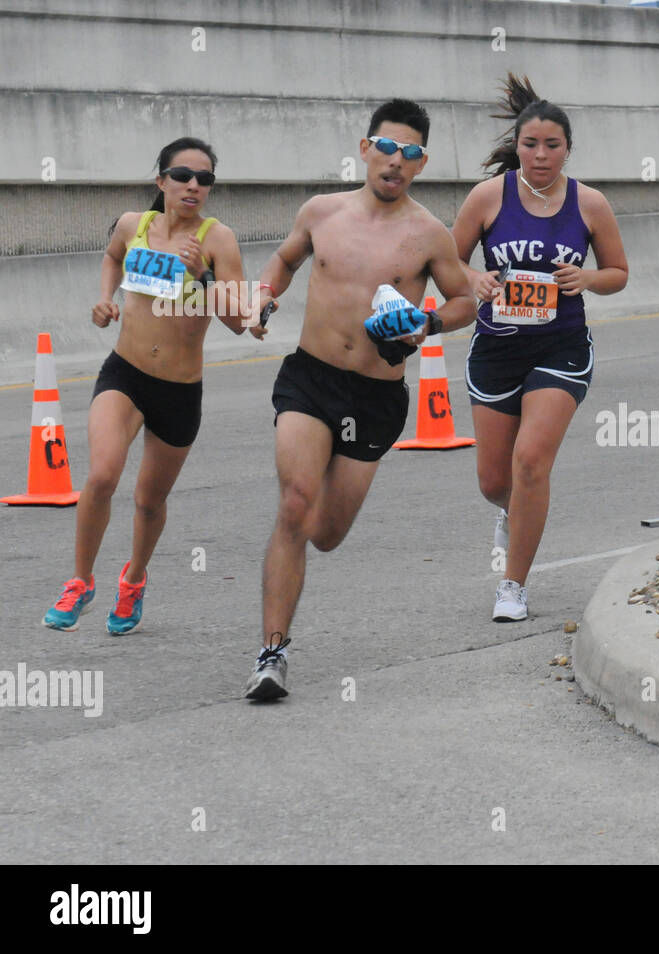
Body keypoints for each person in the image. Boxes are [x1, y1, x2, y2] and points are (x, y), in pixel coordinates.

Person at [242, 98, 475, 701]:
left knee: (325, 532)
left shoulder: (429, 233)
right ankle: (272, 653)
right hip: (309, 378)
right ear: (366, 149)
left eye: (412, 153)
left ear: (423, 165)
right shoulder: (322, 212)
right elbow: (286, 259)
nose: (397, 162)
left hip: (376, 394)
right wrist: (264, 297)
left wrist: (426, 327)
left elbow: (464, 302)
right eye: (388, 148)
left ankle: (296, 559)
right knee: (295, 503)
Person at [43, 137, 251, 635]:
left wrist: (201, 275)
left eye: (205, 179)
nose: (193, 185)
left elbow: (241, 321)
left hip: (179, 389)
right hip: (125, 373)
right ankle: (80, 580)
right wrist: (104, 298)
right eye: (182, 175)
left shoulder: (218, 240)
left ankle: (133, 579)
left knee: (149, 501)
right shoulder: (132, 225)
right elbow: (112, 257)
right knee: (102, 476)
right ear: (160, 180)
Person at [451, 75, 628, 622]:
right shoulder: (488, 196)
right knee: (494, 482)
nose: (541, 154)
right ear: (518, 146)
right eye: (531, 144)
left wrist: (587, 279)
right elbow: (446, 263)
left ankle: (513, 586)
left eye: (552, 145)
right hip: (496, 349)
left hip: (562, 347)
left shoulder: (589, 203)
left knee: (531, 461)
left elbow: (619, 273)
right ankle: (512, 512)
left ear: (568, 149)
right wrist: (474, 281)